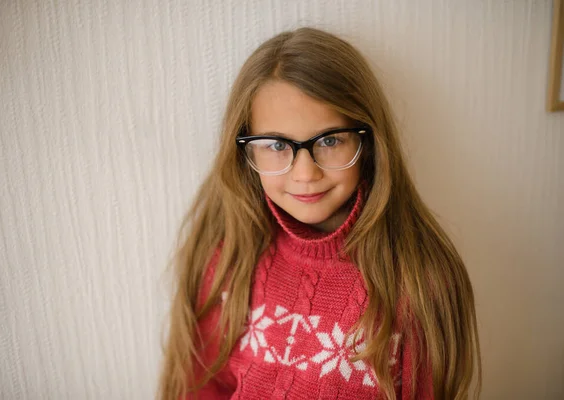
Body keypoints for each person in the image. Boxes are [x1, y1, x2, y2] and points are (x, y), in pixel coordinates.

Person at [157, 26, 481, 400]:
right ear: (246, 152)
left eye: (329, 141)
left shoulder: (418, 280)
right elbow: (200, 388)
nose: (305, 173)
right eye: (276, 144)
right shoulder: (229, 260)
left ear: (369, 140)